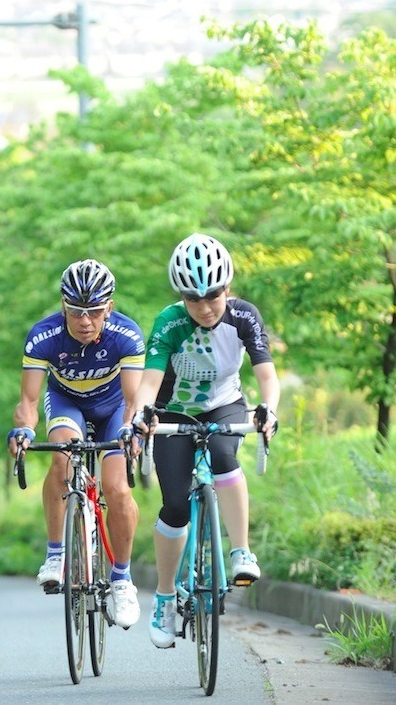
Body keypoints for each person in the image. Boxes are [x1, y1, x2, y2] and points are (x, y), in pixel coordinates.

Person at [132, 233, 280, 649]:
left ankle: (241, 552)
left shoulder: (244, 317)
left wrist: (268, 410)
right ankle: (164, 597)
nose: (204, 306)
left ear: (227, 289)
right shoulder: (169, 322)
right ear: (182, 298)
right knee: (175, 504)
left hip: (224, 404)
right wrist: (143, 414)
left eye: (212, 295)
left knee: (222, 454)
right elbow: (149, 382)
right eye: (193, 299)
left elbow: (266, 375)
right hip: (173, 411)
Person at [7, 258, 146, 629]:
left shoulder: (127, 335)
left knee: (116, 488)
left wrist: (132, 431)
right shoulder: (43, 337)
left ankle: (122, 579)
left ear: (109, 308)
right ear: (63, 306)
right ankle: (56, 553)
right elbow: (29, 403)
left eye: (95, 312)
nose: (85, 321)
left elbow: (133, 401)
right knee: (63, 459)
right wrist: (23, 431)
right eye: (75, 312)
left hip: (114, 408)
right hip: (66, 401)